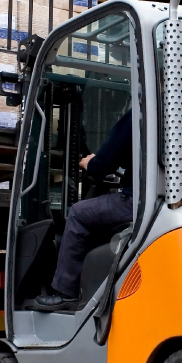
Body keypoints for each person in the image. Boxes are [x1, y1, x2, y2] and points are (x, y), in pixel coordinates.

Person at [34, 108, 134, 311]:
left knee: (79, 213)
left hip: (135, 202)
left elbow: (105, 161)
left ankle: (66, 292)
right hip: (166, 202)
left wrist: (92, 163)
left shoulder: (141, 112)